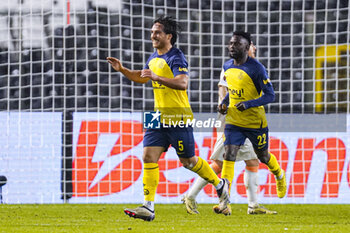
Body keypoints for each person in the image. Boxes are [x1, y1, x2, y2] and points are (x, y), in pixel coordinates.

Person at [107, 15, 229, 222]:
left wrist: (157, 77)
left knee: (188, 162)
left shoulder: (176, 57)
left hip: (177, 115)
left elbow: (182, 83)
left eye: (157, 32)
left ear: (169, 36)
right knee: (147, 157)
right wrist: (124, 70)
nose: (152, 35)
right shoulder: (154, 57)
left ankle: (219, 185)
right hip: (156, 116)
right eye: (152, 31)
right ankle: (148, 206)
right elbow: (142, 76)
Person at [182, 42, 277, 215]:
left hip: (243, 120)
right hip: (232, 119)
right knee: (219, 163)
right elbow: (223, 89)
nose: (254, 48)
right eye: (252, 46)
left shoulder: (252, 69)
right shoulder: (232, 66)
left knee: (251, 161)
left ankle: (252, 205)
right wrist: (226, 110)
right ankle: (192, 196)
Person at [215, 31, 287, 214]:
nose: (232, 46)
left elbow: (271, 95)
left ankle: (279, 174)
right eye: (230, 43)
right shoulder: (227, 66)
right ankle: (224, 202)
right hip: (234, 121)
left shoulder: (257, 68)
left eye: (237, 44)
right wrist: (223, 105)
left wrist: (248, 104)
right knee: (228, 155)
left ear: (247, 48)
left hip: (255, 123)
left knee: (262, 156)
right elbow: (232, 90)